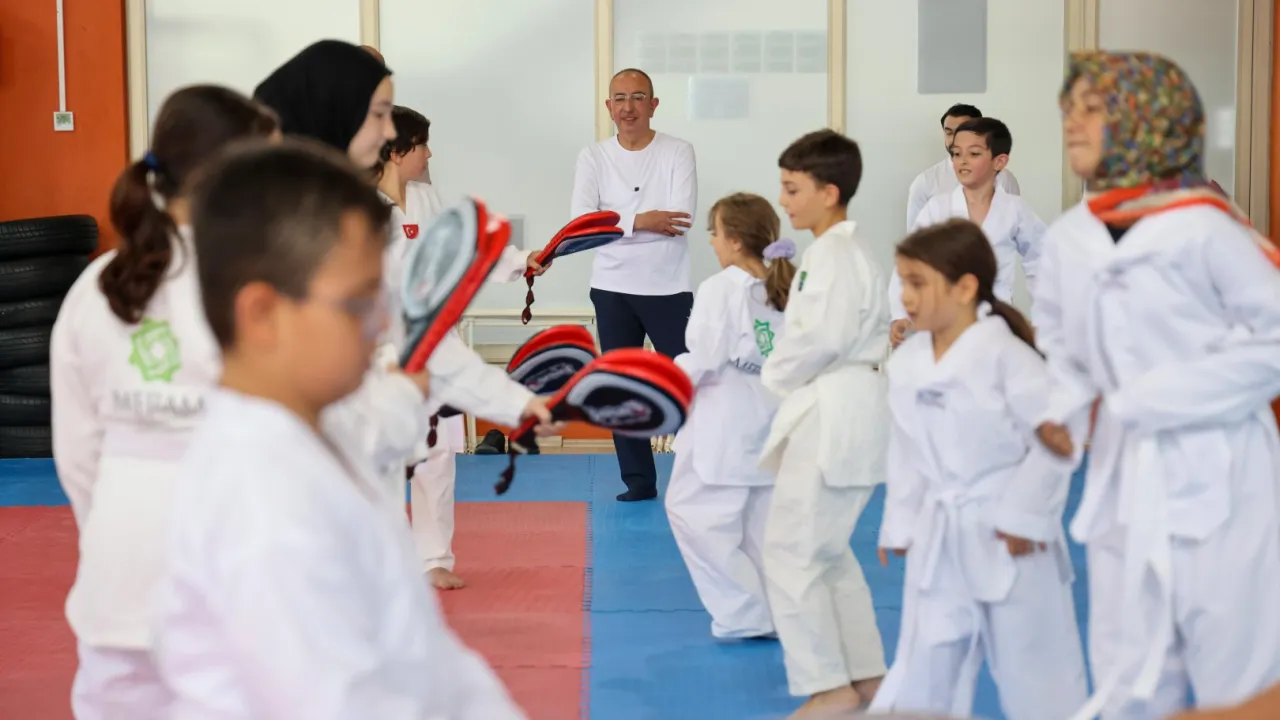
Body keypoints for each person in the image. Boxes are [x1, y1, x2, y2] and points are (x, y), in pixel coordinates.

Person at [150, 140, 530, 718]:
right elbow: (339, 698)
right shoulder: (262, 503)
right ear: (263, 314)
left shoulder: (326, 436)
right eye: (358, 304)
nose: (379, 322)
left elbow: (423, 655)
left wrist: (518, 403)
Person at [1035, 51, 1280, 719]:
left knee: (1236, 672)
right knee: (1127, 670)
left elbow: (1274, 339)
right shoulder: (1069, 239)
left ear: (1148, 121)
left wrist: (1156, 398)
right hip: (1123, 474)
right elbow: (1060, 345)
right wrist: (1063, 410)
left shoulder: (1205, 229)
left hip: (1222, 472)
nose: (1073, 123)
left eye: (1094, 109)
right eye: (1069, 109)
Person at [48, 86, 288, 720]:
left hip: (119, 571)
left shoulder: (93, 287)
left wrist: (114, 527)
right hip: (232, 579)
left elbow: (77, 453)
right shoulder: (258, 291)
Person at [253, 40, 555, 513]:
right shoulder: (291, 219)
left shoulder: (377, 209)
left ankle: (433, 550)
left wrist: (516, 403)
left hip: (381, 420)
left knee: (420, 474)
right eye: (378, 113)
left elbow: (423, 311)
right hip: (302, 472)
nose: (390, 130)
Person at [871, 219, 1087, 720]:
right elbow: (905, 453)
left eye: (918, 282)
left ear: (965, 288)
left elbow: (1056, 444)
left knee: (1036, 669)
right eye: (902, 282)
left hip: (1010, 534)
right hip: (940, 531)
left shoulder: (1007, 357)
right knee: (925, 662)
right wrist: (900, 522)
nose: (905, 296)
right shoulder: (908, 364)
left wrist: (1026, 516)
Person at [375, 104, 545, 590]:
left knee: (436, 457)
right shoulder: (360, 206)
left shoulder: (426, 198)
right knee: (384, 459)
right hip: (382, 350)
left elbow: (468, 249)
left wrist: (522, 260)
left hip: (436, 345)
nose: (429, 155)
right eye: (422, 145)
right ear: (397, 152)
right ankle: (384, 562)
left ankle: (433, 559)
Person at [758, 129, 889, 717]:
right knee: (829, 554)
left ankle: (829, 686)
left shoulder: (832, 253)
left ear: (828, 192)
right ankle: (864, 676)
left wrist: (772, 376)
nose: (783, 200)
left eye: (792, 189)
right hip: (848, 403)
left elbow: (822, 339)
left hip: (833, 406)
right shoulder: (845, 250)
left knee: (792, 552)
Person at [665, 192, 794, 640]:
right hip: (771, 421)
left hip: (723, 423)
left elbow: (704, 358)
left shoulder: (720, 288)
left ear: (735, 240)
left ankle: (745, 614)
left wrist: (662, 383)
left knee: (693, 513)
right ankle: (776, 614)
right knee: (759, 530)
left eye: (715, 233)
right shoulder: (783, 286)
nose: (711, 242)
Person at [571, 67, 698, 502]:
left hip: (668, 287)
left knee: (686, 383)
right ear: (609, 107)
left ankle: (701, 471)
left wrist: (614, 224)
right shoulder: (594, 156)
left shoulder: (677, 151)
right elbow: (582, 223)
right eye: (620, 99)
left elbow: (680, 219)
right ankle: (639, 481)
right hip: (612, 287)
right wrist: (643, 220)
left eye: (638, 97)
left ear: (653, 105)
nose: (629, 107)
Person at [889, 117, 1045, 348]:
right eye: (956, 153)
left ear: (999, 161)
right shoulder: (937, 208)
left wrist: (1043, 318)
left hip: (996, 320)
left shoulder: (1014, 209)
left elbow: (1042, 260)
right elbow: (910, 261)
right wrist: (901, 313)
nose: (962, 161)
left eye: (974, 154)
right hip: (944, 318)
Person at [904, 104, 1021, 232]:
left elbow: (1016, 228)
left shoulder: (1004, 178)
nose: (954, 139)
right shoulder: (925, 182)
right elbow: (915, 237)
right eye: (949, 132)